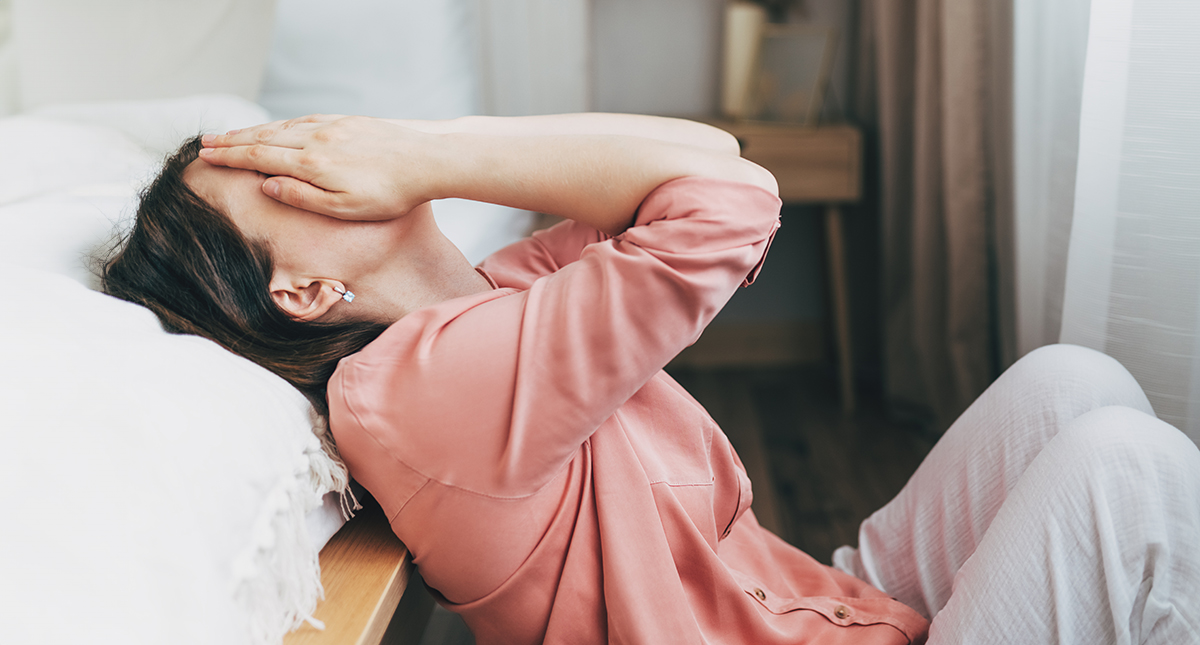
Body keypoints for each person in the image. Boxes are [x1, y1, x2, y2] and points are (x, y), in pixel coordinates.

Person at [103, 113, 1200, 645]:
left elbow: (716, 163)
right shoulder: (409, 393)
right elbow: (732, 208)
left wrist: (414, 143)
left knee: (1072, 384)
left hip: (821, 609)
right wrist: (428, 158)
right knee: (1124, 466)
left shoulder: (505, 291)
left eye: (291, 143)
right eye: (273, 177)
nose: (318, 153)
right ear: (301, 291)